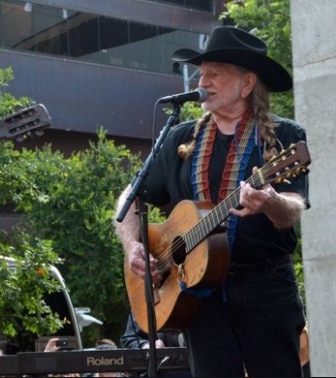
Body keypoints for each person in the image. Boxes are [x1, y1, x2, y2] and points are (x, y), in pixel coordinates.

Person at [114, 26, 308, 377]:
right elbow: (130, 197)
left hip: (264, 289)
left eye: (215, 73)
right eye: (202, 73)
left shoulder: (284, 137)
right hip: (197, 297)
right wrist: (132, 246)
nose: (204, 81)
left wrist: (271, 201)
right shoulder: (179, 138)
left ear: (247, 84)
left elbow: (293, 208)